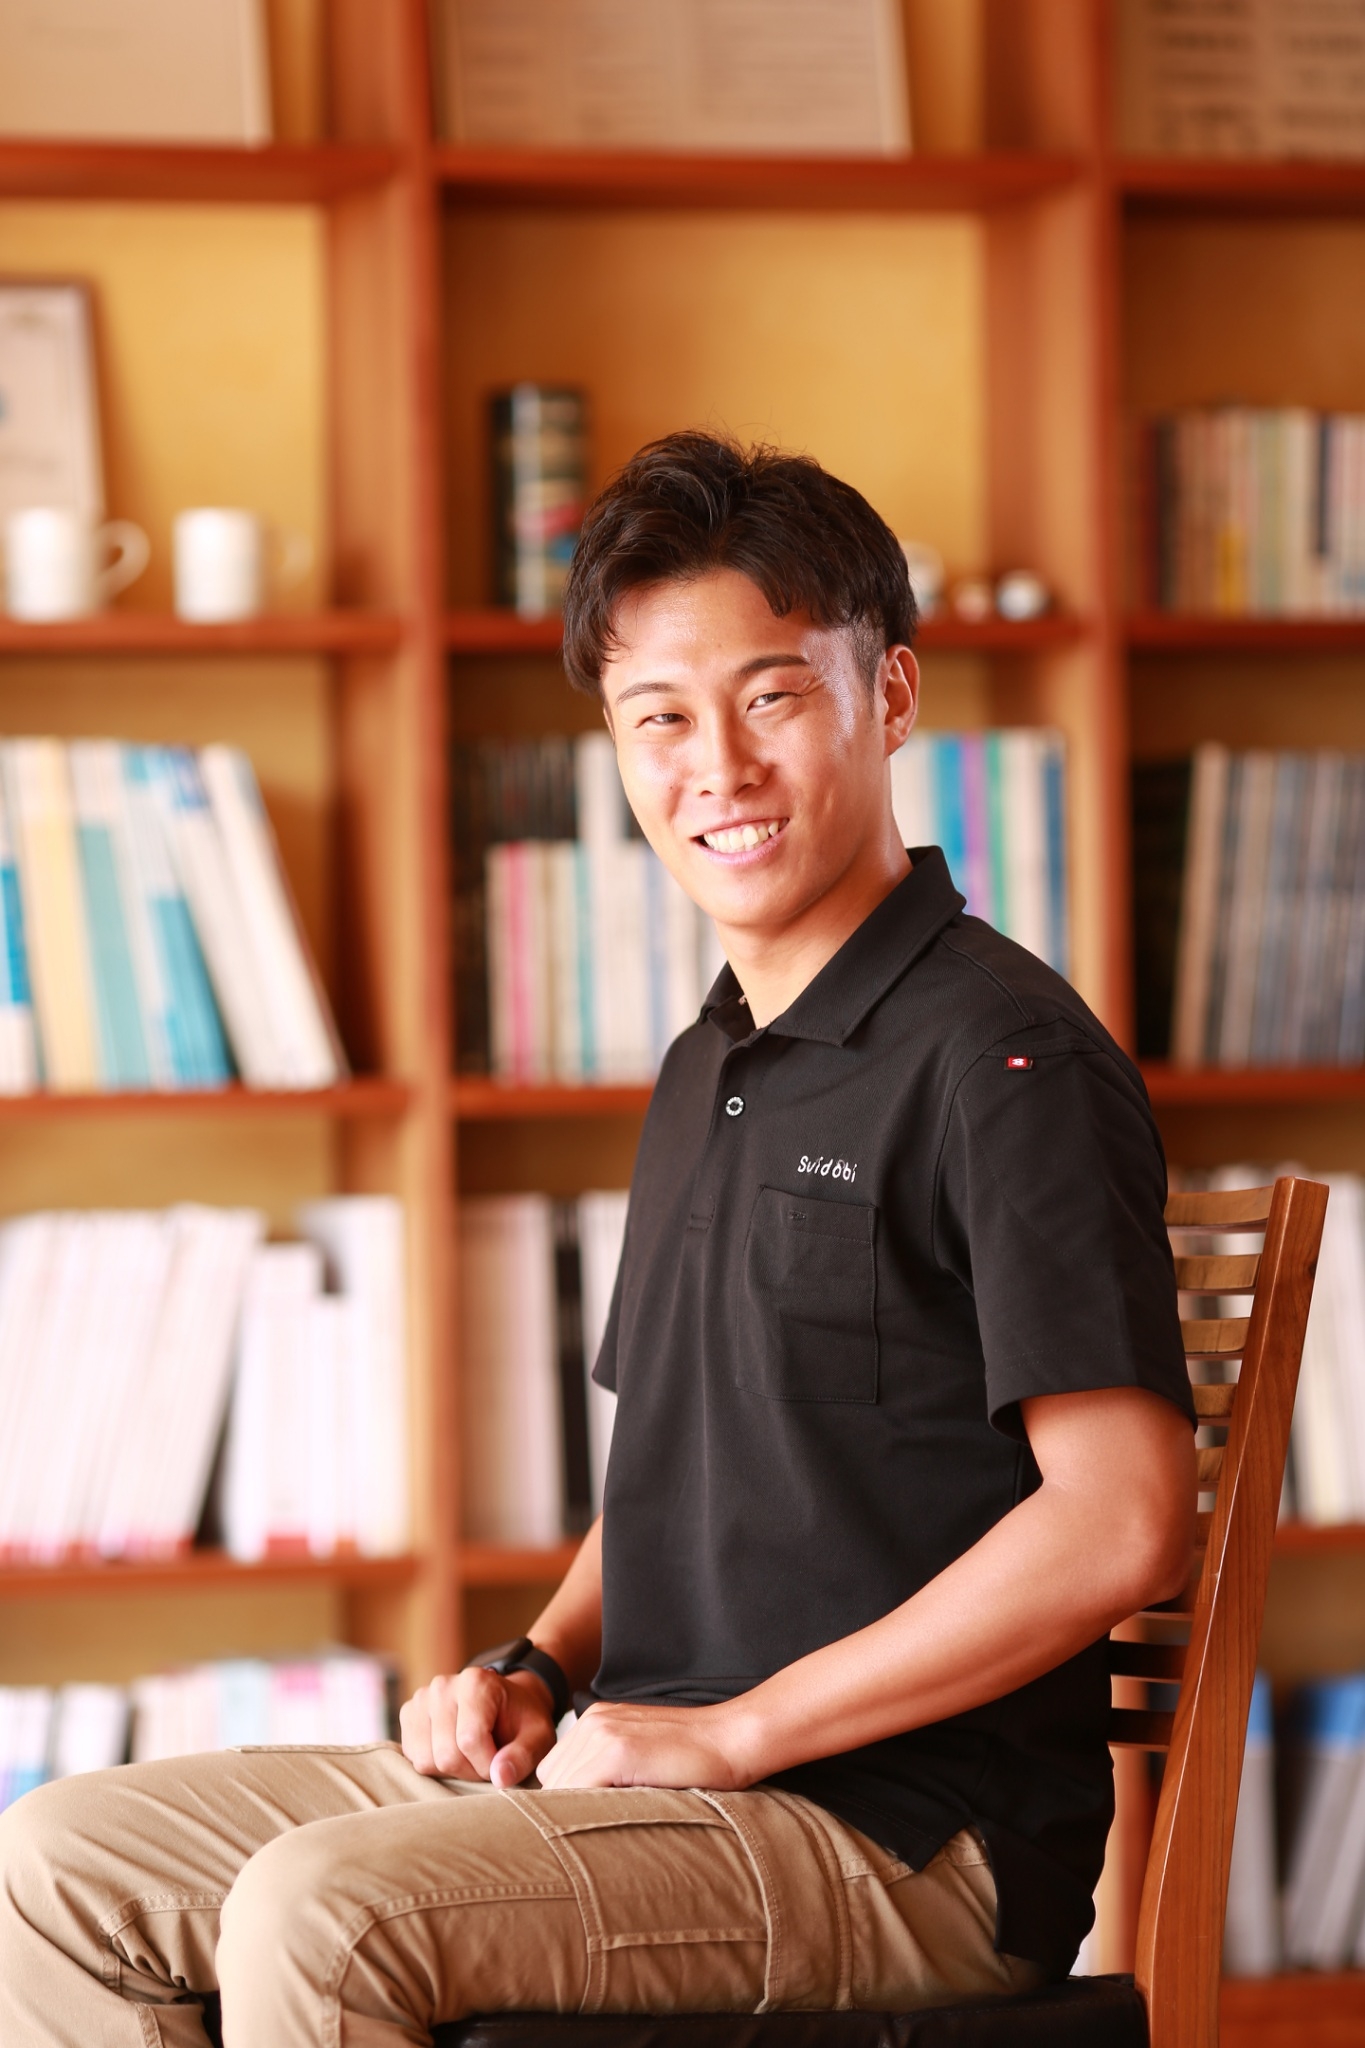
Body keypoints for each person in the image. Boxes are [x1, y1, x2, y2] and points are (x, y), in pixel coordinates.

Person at [0, 434, 1196, 2046]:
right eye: (660, 718)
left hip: (902, 1838)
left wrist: (738, 1734)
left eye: (772, 696)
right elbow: (677, 1480)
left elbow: (1121, 1521)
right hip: (636, 1766)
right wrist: (538, 1669)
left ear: (891, 696)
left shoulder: (1002, 1060)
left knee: (324, 1915)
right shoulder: (713, 1059)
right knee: (57, 1867)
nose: (719, 766)